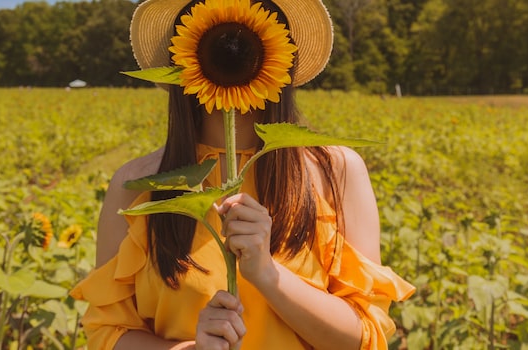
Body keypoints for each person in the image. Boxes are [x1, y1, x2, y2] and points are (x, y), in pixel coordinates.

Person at [71, 0, 415, 349]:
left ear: (281, 54)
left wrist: (268, 275)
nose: (232, 44)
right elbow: (107, 333)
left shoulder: (335, 172)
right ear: (182, 58)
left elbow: (364, 337)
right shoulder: (137, 186)